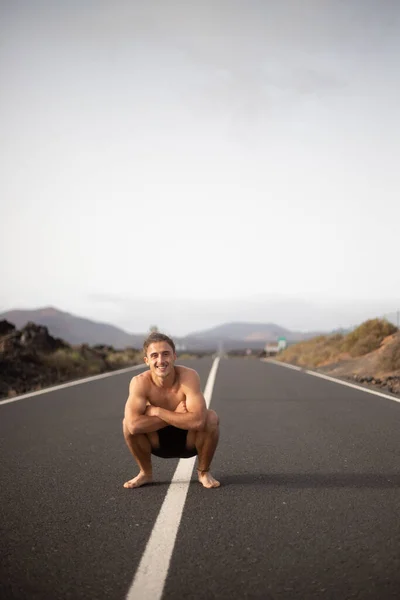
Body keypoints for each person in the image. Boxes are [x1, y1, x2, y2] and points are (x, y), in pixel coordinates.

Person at [122, 332, 220, 489]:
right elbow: (133, 425)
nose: (161, 361)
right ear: (146, 360)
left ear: (174, 356)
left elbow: (199, 420)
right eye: (154, 356)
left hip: (189, 441)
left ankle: (203, 472)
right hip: (157, 442)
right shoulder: (139, 382)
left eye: (165, 354)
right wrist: (175, 413)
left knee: (211, 417)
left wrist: (158, 411)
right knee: (126, 424)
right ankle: (145, 473)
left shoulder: (189, 377)